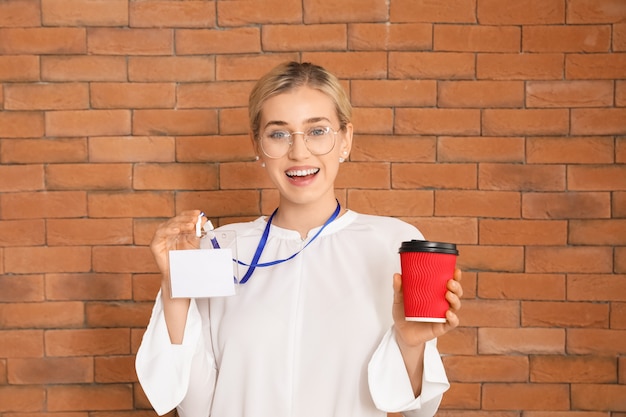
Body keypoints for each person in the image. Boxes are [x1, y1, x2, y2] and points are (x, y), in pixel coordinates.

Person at [135, 61, 463, 417]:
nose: (299, 152)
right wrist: (175, 286)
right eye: (278, 133)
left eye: (317, 131)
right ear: (257, 144)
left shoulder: (396, 245)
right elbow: (197, 406)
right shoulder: (220, 248)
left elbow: (418, 410)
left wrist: (411, 345)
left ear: (345, 139)